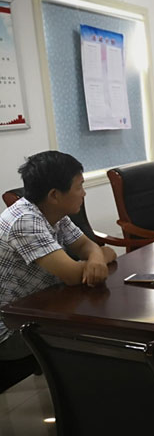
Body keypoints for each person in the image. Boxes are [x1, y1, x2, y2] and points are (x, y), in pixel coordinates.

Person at [0, 151, 117, 361]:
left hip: (43, 307)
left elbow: (87, 245)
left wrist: (98, 257)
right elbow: (72, 276)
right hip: (10, 329)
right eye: (79, 187)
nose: (84, 193)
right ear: (54, 195)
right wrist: (102, 255)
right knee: (101, 336)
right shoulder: (24, 221)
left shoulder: (54, 213)